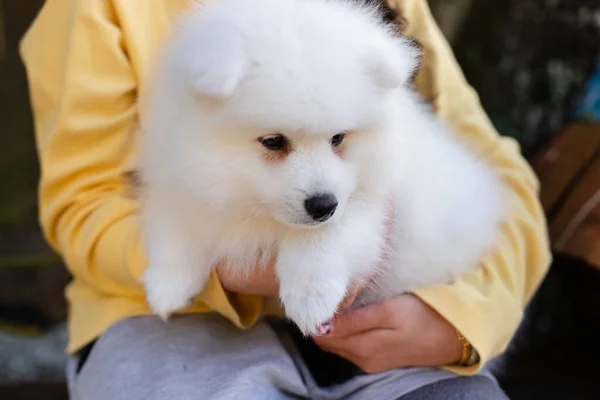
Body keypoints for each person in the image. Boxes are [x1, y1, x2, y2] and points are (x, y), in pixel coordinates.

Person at [20, 0, 551, 398]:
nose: (320, 185)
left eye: (339, 140)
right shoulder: (104, 12)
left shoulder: (366, 33)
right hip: (169, 328)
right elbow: (82, 203)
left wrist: (466, 320)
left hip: (403, 322)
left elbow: (495, 177)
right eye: (276, 144)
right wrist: (202, 264)